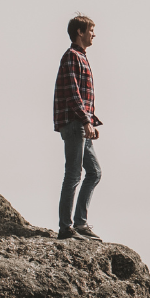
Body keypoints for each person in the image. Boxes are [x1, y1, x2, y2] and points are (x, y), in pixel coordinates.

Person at [53, 14, 103, 240]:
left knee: (94, 172)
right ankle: (66, 228)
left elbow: (80, 95)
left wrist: (91, 121)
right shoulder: (72, 56)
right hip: (74, 124)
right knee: (73, 174)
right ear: (79, 32)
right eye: (91, 30)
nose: (94, 34)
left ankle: (80, 223)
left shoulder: (81, 57)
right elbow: (73, 94)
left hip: (81, 123)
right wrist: (85, 120)